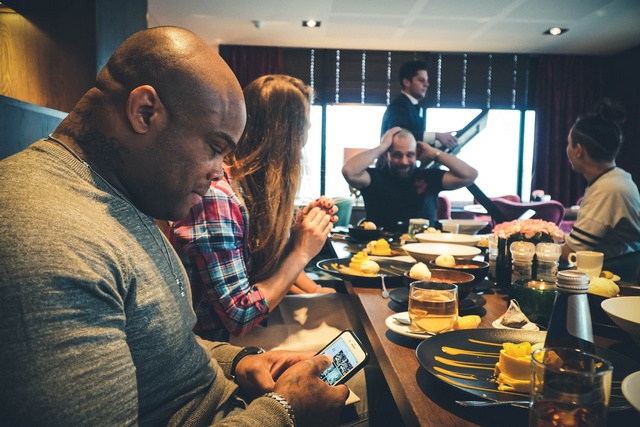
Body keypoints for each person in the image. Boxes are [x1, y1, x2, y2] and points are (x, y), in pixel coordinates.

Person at [0, 26, 349, 426]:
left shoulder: (117, 195)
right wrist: (284, 411)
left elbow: (162, 347)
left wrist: (239, 361)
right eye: (215, 147)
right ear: (144, 112)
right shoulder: (47, 238)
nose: (219, 173)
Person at [169, 75, 337, 342]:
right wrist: (301, 251)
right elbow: (240, 316)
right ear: (288, 136)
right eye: (305, 128)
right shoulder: (217, 197)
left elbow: (261, 272)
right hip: (214, 346)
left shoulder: (245, 189)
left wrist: (295, 236)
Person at [342, 127, 478, 230]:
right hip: (380, 250)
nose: (404, 161)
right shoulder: (374, 177)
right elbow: (349, 171)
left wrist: (435, 154)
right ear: (387, 155)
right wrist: (382, 146)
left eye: (410, 154)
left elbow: (470, 175)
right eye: (397, 155)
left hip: (423, 250)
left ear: (416, 154)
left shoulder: (429, 176)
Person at [561, 99, 640, 261]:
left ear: (579, 150)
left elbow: (571, 251)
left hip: (619, 270)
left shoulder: (608, 188)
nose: (567, 149)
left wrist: (529, 248)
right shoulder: (617, 178)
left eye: (569, 143)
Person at [380, 60, 458, 150]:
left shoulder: (413, 106)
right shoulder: (399, 105)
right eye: (421, 80)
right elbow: (398, 135)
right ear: (406, 82)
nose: (427, 84)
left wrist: (441, 142)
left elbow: (415, 140)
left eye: (427, 80)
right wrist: (436, 136)